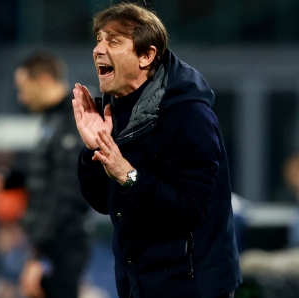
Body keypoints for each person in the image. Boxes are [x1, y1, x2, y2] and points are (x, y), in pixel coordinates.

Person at [71, 3, 242, 298]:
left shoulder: (188, 116)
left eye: (113, 41)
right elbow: (103, 202)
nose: (99, 49)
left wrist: (128, 175)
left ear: (146, 56)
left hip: (191, 286)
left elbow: (190, 211)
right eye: (98, 39)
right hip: (138, 283)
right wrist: (94, 149)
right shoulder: (117, 110)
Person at [15, 51, 91, 298]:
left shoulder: (72, 120)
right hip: (55, 245)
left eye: (24, 88)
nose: (21, 97)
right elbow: (44, 176)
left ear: (44, 81)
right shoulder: (53, 120)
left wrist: (42, 255)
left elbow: (65, 191)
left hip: (62, 246)